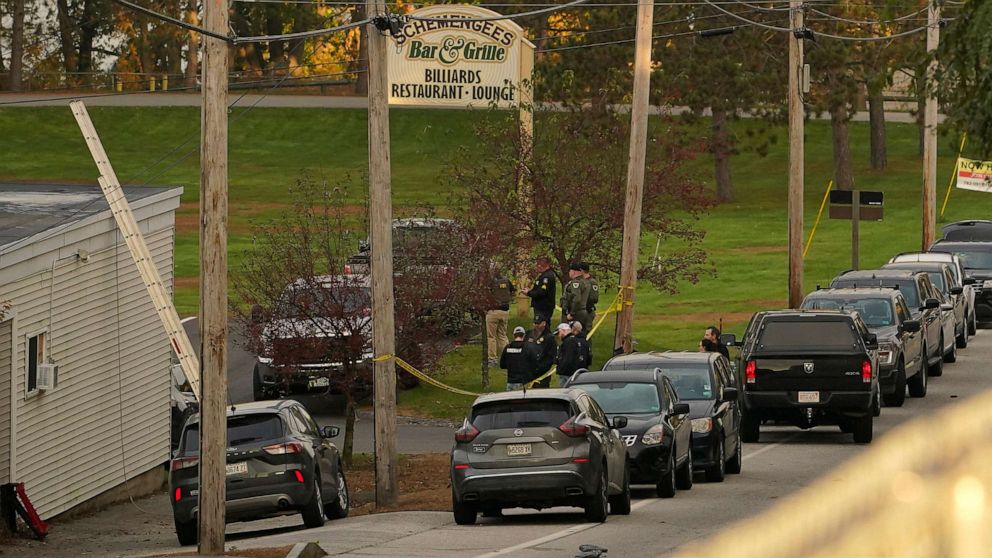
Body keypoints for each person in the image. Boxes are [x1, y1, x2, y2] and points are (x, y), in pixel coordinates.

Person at [485, 273, 515, 367]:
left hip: (493, 311)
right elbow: (512, 291)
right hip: (504, 311)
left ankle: (492, 360)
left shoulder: (490, 282)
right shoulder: (506, 280)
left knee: (491, 337)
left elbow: (485, 294)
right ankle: (508, 357)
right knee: (502, 335)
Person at [500, 326, 539, 390]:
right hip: (523, 382)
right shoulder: (528, 347)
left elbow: (502, 365)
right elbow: (534, 363)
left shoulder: (508, 347)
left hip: (510, 382)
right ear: (524, 335)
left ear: (513, 335)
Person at [523, 257, 557, 324]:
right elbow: (539, 289)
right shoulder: (543, 275)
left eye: (539, 265)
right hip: (541, 306)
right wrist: (530, 291)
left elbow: (542, 292)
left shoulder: (546, 277)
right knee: (543, 327)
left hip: (543, 307)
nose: (537, 267)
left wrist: (528, 293)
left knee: (540, 326)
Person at [556, 322, 589, 386]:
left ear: (563, 331)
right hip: (576, 372)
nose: (559, 335)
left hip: (567, 374)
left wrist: (561, 368)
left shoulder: (569, 341)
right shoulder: (579, 340)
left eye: (559, 333)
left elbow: (567, 358)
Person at [527, 315, 556, 388]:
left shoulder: (549, 337)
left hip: (543, 372)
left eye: (538, 323)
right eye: (535, 323)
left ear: (544, 323)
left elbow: (551, 356)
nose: (536, 325)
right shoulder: (528, 334)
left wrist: (541, 367)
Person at [561, 262, 590, 331]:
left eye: (570, 271)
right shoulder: (586, 281)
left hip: (576, 313)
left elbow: (576, 298)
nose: (569, 273)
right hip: (583, 311)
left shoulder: (575, 282)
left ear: (574, 271)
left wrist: (572, 313)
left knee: (571, 334)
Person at [580, 262, 599, 331]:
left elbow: (594, 298)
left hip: (588, 311)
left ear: (582, 270)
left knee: (586, 332)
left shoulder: (591, 282)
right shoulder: (581, 281)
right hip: (581, 312)